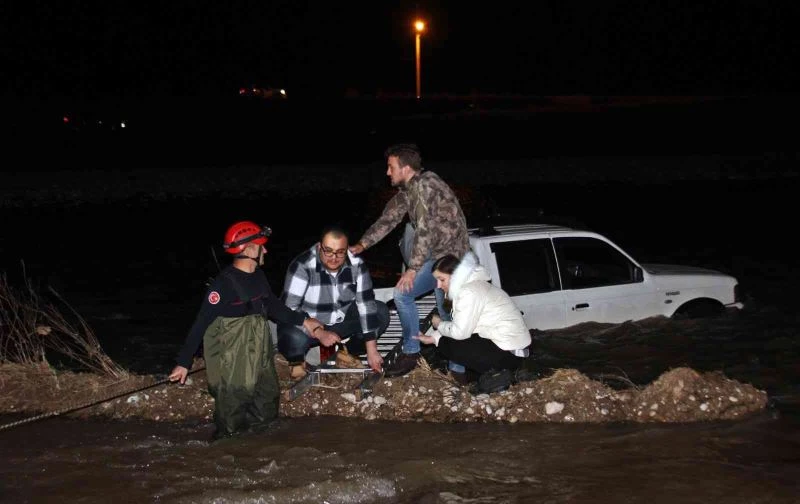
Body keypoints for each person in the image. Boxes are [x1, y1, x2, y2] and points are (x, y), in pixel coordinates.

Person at [169, 220, 322, 439]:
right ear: (249, 249)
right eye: (262, 245)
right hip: (233, 352)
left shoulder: (258, 276)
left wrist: (303, 321)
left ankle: (258, 443)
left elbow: (272, 305)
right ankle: (227, 446)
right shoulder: (223, 285)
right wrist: (183, 362)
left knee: (268, 396)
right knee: (234, 401)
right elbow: (201, 323)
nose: (266, 250)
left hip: (259, 348)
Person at [349, 143, 470, 378]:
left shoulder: (426, 185)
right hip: (438, 258)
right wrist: (362, 244)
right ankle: (415, 353)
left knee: (442, 312)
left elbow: (425, 228)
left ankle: (454, 371)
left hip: (452, 263)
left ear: (405, 168)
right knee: (425, 305)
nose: (387, 172)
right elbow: (388, 219)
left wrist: (413, 269)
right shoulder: (409, 190)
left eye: (391, 167)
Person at [278, 225, 390, 377]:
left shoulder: (356, 264)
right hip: (309, 324)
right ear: (320, 247)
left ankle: (349, 353)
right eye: (328, 251)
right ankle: (296, 361)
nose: (334, 258)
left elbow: (366, 305)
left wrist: (372, 350)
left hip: (340, 321)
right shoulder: (302, 265)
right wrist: (319, 332)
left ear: (347, 249)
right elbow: (289, 308)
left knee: (380, 312)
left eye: (340, 252)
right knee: (291, 335)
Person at [415, 252, 532, 393]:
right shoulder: (475, 286)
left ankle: (501, 374)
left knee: (452, 345)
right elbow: (466, 328)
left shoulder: (469, 291)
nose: (438, 286)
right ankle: (497, 376)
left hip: (509, 353)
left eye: (442, 279)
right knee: (450, 340)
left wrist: (438, 325)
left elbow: (460, 333)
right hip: (514, 351)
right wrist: (434, 337)